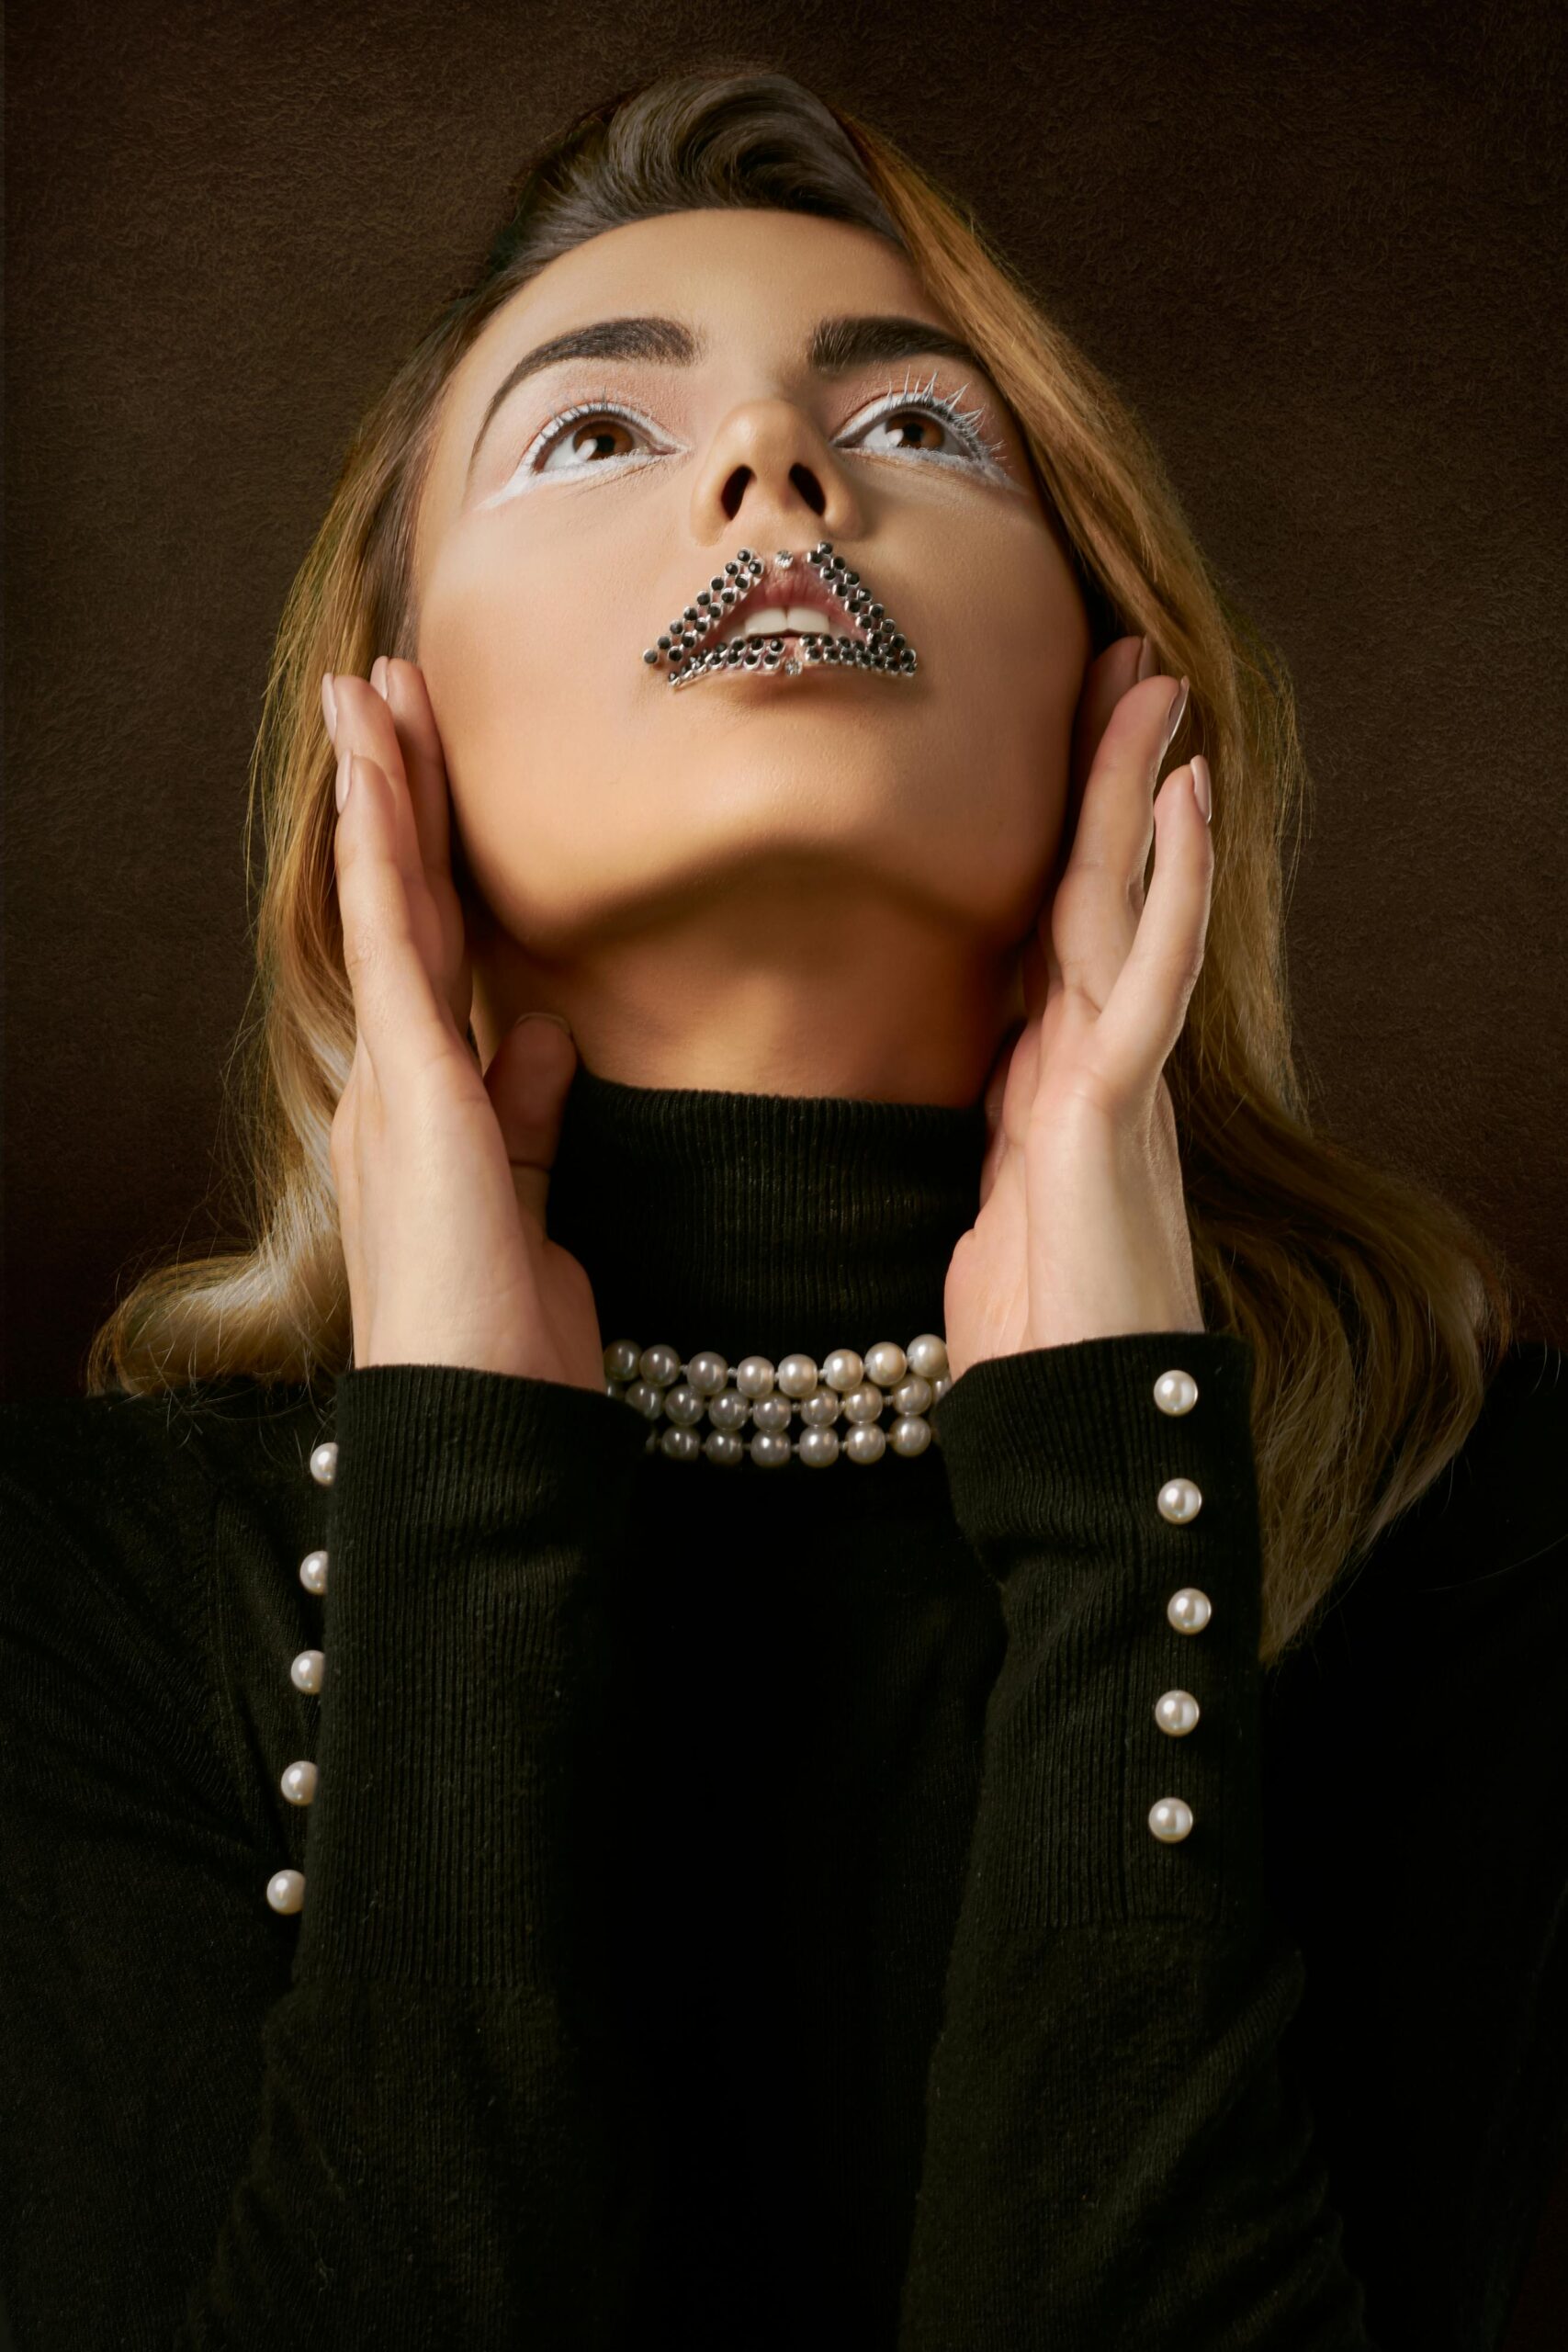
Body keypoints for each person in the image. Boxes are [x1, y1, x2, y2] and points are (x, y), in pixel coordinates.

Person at [2, 60, 1562, 2352]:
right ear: (389, 725)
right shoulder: (81, 1580)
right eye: (593, 436)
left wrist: (1114, 1486)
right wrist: (451, 1470)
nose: (772, 469)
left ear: (1117, 684)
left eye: (926, 430)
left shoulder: (1476, 1519)